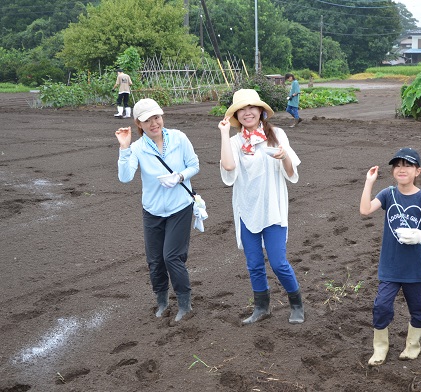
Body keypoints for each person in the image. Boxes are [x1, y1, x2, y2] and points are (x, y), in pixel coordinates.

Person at [217, 89, 304, 325]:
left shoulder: (276, 135)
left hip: (272, 208)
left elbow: (290, 172)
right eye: (241, 110)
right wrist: (224, 134)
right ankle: (261, 307)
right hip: (247, 209)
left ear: (261, 111)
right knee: (254, 264)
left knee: (278, 262)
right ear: (236, 116)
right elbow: (228, 167)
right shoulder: (235, 142)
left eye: (251, 108)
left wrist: (284, 155)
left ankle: (296, 304)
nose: (247, 113)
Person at [115, 98, 199, 322]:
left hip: (180, 206)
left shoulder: (179, 138)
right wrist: (124, 148)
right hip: (152, 210)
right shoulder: (138, 148)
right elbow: (125, 178)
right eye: (147, 120)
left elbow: (194, 164)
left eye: (157, 117)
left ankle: (184, 303)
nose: (154, 123)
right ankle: (162, 302)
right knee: (155, 260)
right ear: (138, 124)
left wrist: (179, 176)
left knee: (172, 256)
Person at [359, 147, 421, 365]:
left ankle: (413, 346)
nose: (401, 169)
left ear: (418, 171)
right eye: (397, 165)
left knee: (418, 308)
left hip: (416, 267)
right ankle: (380, 348)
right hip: (391, 265)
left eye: (407, 165)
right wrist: (369, 182)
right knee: (381, 306)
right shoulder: (388, 194)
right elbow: (365, 210)